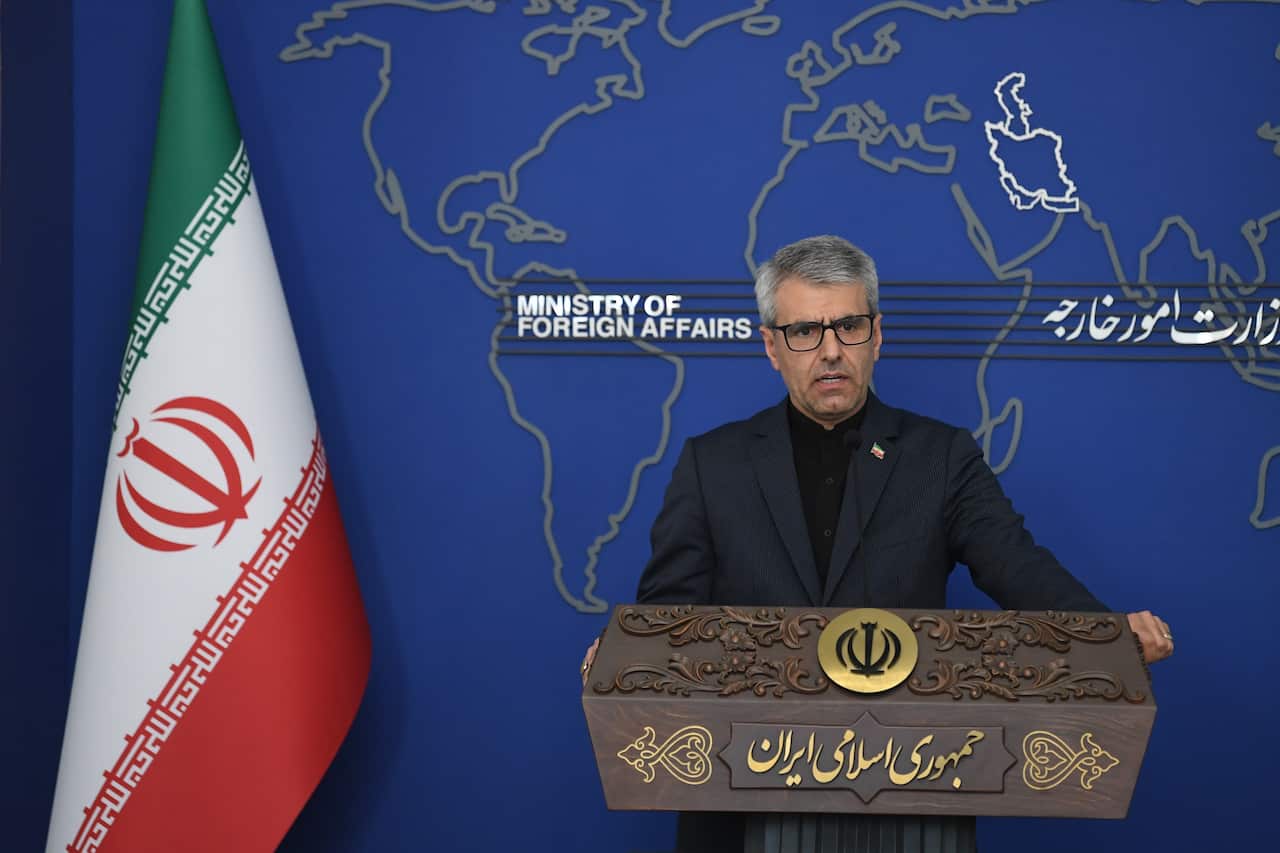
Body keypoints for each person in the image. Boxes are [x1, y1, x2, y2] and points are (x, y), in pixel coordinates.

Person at [580, 235, 1173, 852]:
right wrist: (625, 654)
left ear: (878, 334)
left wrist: (1105, 636)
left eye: (850, 327)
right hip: (742, 807)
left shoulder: (941, 457)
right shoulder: (712, 464)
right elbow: (667, 617)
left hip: (907, 798)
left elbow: (1015, 564)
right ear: (772, 347)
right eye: (805, 331)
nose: (831, 351)